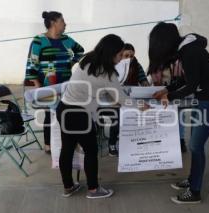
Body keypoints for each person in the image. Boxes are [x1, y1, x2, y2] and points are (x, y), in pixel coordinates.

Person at [56, 34, 145, 198]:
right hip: (79, 114)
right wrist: (141, 105)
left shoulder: (88, 59)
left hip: (63, 108)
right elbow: (122, 99)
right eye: (119, 55)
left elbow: (96, 89)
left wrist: (112, 99)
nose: (120, 60)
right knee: (91, 150)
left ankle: (68, 186)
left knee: (67, 148)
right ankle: (93, 189)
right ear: (111, 53)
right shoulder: (108, 73)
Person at [149, 22, 209, 204]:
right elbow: (188, 80)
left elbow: (191, 85)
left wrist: (169, 95)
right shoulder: (186, 49)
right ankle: (193, 180)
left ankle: (195, 192)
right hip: (205, 98)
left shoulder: (190, 51)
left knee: (195, 145)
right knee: (195, 144)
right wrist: (166, 89)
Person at [25, 11, 84, 154]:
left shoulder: (66, 39)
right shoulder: (39, 41)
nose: (65, 24)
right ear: (53, 23)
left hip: (65, 84)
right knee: (49, 114)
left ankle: (65, 142)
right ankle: (48, 145)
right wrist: (38, 88)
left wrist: (71, 63)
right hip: (47, 85)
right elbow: (32, 64)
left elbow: (80, 51)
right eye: (62, 21)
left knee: (66, 112)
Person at [107, 43, 149, 156]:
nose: (129, 58)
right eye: (126, 55)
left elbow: (143, 79)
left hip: (131, 98)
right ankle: (112, 144)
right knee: (116, 122)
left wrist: (146, 85)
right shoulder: (114, 65)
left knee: (133, 121)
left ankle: (130, 145)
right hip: (115, 99)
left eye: (131, 56)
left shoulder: (136, 65)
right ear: (120, 55)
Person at [149, 61, 187, 153]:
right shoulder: (155, 64)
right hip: (160, 93)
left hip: (175, 92)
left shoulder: (179, 63)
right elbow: (153, 80)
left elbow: (182, 81)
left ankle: (181, 139)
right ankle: (163, 139)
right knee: (162, 116)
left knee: (181, 114)